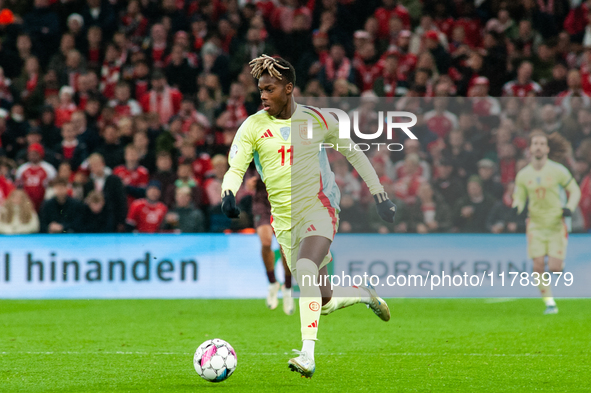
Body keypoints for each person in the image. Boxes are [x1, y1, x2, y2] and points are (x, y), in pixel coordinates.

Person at [220, 55, 396, 378]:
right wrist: (228, 194)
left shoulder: (318, 120)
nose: (262, 96)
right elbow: (235, 168)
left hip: (320, 208)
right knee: (324, 300)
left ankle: (307, 355)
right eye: (260, 90)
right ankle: (364, 294)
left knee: (304, 267)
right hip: (284, 221)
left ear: (289, 89)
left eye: (269, 89)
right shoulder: (253, 126)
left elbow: (354, 153)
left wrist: (380, 194)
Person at [513, 131, 581, 314]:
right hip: (535, 224)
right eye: (535, 143)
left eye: (542, 143)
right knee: (537, 266)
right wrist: (516, 208)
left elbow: (575, 190)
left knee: (554, 267)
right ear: (530, 148)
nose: (538, 147)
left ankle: (559, 266)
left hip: (555, 224)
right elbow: (519, 197)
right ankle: (549, 302)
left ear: (547, 148)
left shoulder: (557, 170)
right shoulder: (523, 175)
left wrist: (570, 207)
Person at [251, 176, 294, 315]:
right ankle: (272, 283)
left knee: (285, 247)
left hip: (285, 201)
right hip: (262, 201)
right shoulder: (257, 156)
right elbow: (247, 179)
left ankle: (287, 288)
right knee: (266, 242)